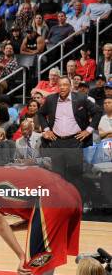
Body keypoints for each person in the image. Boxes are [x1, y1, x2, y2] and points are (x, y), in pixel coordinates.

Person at [38, 76, 102, 204]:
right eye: (60, 85)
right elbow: (40, 113)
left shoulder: (81, 98)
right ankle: (60, 203)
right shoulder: (51, 99)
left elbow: (98, 112)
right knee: (57, 175)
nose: (62, 87)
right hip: (56, 141)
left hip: (75, 141)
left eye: (65, 85)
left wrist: (88, 130)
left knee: (75, 175)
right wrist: (46, 130)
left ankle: (80, 203)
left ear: (70, 86)